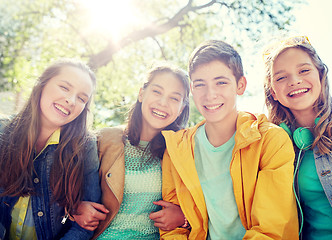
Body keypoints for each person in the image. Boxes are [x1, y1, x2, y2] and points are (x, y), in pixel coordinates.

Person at [160, 40, 299, 239]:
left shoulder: (270, 140)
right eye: (200, 85)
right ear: (192, 89)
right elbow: (173, 230)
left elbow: (271, 229)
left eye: (221, 82)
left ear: (240, 85)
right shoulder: (177, 149)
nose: (210, 95)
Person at [263, 36, 332, 240]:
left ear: (321, 75)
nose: (294, 81)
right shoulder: (275, 146)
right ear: (273, 92)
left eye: (304, 70)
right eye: (281, 77)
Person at [75, 63, 191, 239]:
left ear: (181, 108)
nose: (163, 103)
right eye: (157, 92)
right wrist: (75, 208)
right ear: (141, 93)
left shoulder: (184, 151)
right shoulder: (103, 139)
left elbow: (206, 206)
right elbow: (64, 187)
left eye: (174, 98)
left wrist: (184, 218)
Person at [0, 59, 100, 239]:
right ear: (43, 84)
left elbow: (86, 224)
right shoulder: (3, 131)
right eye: (65, 87)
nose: (71, 100)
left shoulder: (85, 147)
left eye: (82, 98)